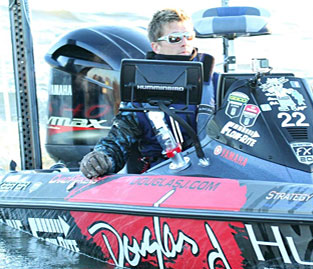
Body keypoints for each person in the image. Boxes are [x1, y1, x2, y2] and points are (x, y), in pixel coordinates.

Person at [80, 8, 216, 179]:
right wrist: (100, 158)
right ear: (156, 46)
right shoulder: (139, 92)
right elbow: (118, 140)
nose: (184, 43)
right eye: (175, 38)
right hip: (161, 176)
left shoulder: (216, 82)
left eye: (188, 36)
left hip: (215, 171)